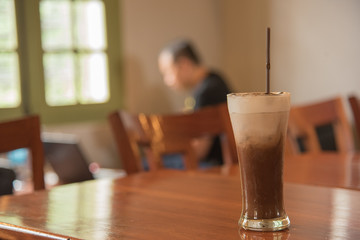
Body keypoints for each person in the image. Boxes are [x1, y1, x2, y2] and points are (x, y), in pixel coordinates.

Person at [158, 39, 231, 167]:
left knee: (150, 163)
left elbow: (199, 150)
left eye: (167, 72)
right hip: (213, 161)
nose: (166, 80)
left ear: (184, 64)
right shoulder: (214, 78)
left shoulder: (208, 91)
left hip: (214, 164)